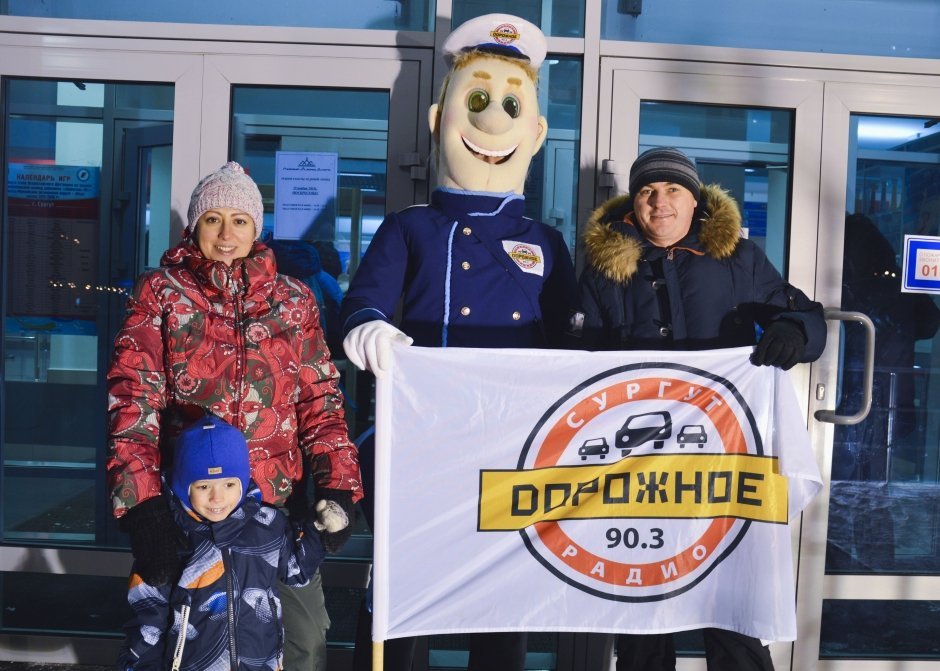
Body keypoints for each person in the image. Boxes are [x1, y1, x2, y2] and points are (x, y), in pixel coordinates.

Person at [340, 13, 578, 671]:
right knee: (400, 595)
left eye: (509, 105)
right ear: (441, 116)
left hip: (509, 450)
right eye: (478, 101)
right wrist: (368, 328)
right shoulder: (409, 229)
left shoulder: (547, 243)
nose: (493, 121)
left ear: (535, 132)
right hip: (422, 445)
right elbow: (363, 301)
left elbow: (575, 341)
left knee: (499, 598)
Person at [576, 146, 827, 671]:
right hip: (636, 464)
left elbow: (804, 315)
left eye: (672, 190)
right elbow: (577, 361)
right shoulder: (604, 269)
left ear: (695, 201)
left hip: (721, 458)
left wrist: (790, 328)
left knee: (731, 601)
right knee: (643, 604)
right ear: (633, 203)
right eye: (647, 190)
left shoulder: (737, 257)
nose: (659, 202)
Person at [107, 161, 363, 671]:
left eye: (240, 220)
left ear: (257, 227)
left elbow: (320, 403)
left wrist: (338, 488)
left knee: (304, 646)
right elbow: (133, 405)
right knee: (183, 649)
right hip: (191, 510)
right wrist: (145, 510)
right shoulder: (161, 295)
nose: (227, 234)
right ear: (194, 226)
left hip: (274, 511)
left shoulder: (293, 301)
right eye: (213, 220)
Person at [119, 414, 327, 671]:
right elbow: (148, 614)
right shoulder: (168, 537)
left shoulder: (268, 526)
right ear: (185, 486)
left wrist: (317, 529)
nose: (218, 498)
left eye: (229, 484)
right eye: (204, 487)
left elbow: (297, 571)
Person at [827, 212, 940, 571]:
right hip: (888, 404)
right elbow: (927, 325)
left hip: (849, 405)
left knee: (841, 496)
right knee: (871, 497)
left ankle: (837, 575)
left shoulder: (849, 289)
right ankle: (870, 578)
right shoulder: (895, 290)